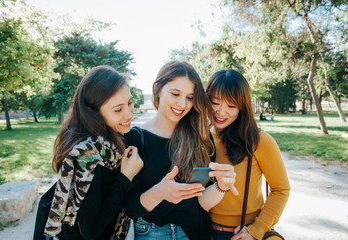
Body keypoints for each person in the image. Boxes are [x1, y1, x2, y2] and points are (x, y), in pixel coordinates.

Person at [123, 61, 238, 240]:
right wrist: (159, 192)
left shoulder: (201, 137)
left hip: (195, 233)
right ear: (157, 89)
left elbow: (202, 201)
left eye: (190, 97)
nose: (182, 104)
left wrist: (221, 186)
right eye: (175, 94)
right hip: (150, 234)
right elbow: (128, 207)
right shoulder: (135, 138)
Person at [42, 65, 144, 239]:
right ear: (93, 112)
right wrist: (125, 178)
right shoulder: (89, 156)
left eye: (130, 102)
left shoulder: (109, 144)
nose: (129, 114)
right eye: (118, 109)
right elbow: (91, 231)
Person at [206, 69, 290, 240]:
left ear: (242, 107)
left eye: (231, 106)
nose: (221, 112)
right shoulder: (200, 137)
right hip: (204, 231)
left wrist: (256, 230)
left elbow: (281, 189)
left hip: (243, 233)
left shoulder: (258, 140)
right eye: (215, 103)